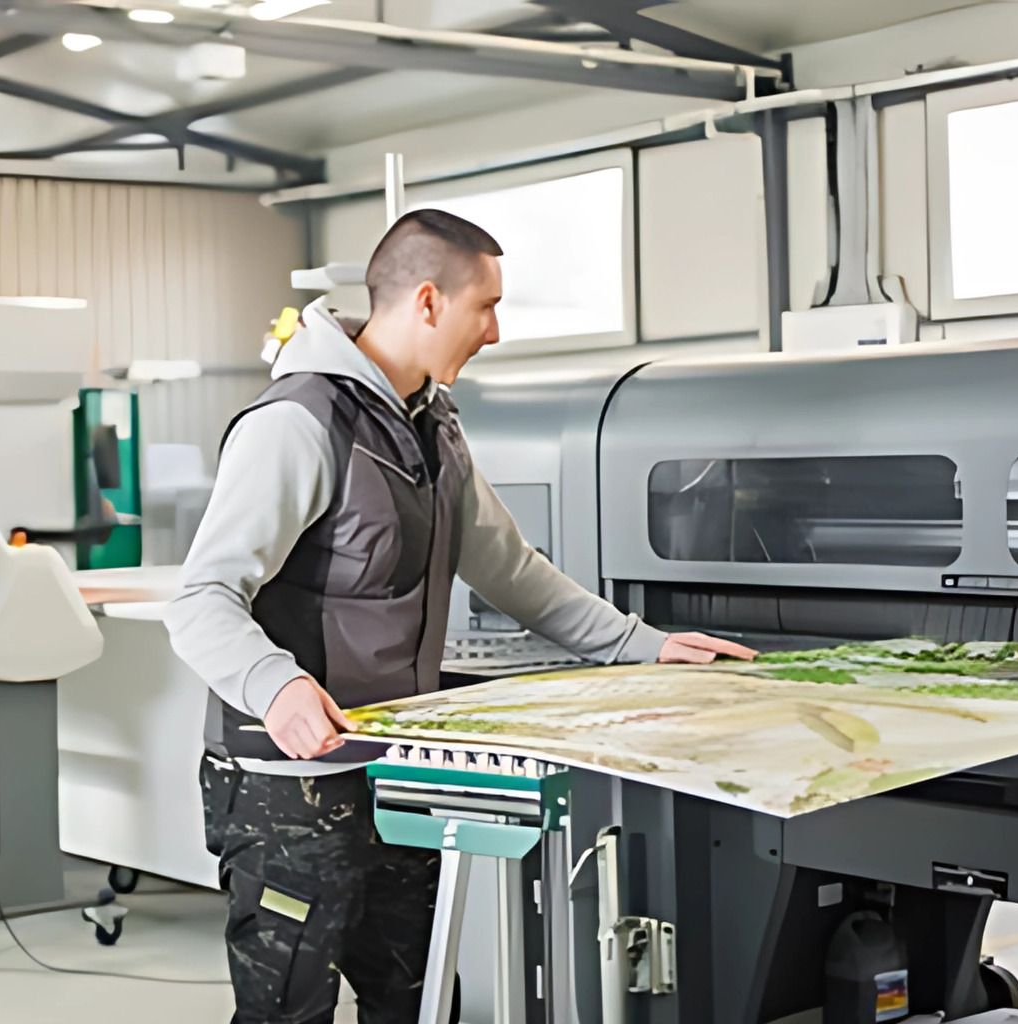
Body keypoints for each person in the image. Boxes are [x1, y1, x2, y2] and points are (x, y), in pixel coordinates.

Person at [165, 209, 755, 1024]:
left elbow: (508, 569)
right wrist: (277, 687)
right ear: (430, 301)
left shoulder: (432, 425)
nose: (497, 331)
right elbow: (200, 599)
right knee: (287, 1012)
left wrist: (642, 645)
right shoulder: (300, 424)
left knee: (415, 997)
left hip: (395, 765)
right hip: (289, 788)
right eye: (487, 307)